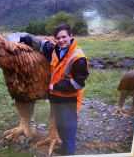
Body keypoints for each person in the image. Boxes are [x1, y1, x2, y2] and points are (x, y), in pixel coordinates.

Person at [19, 23, 89, 155]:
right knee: (61, 127)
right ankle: (63, 149)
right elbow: (41, 44)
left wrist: (55, 86)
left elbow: (78, 84)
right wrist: (24, 39)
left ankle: (69, 152)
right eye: (58, 38)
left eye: (64, 37)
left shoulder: (78, 58)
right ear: (55, 39)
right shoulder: (56, 50)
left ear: (71, 36)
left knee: (69, 130)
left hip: (70, 100)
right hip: (57, 98)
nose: (61, 40)